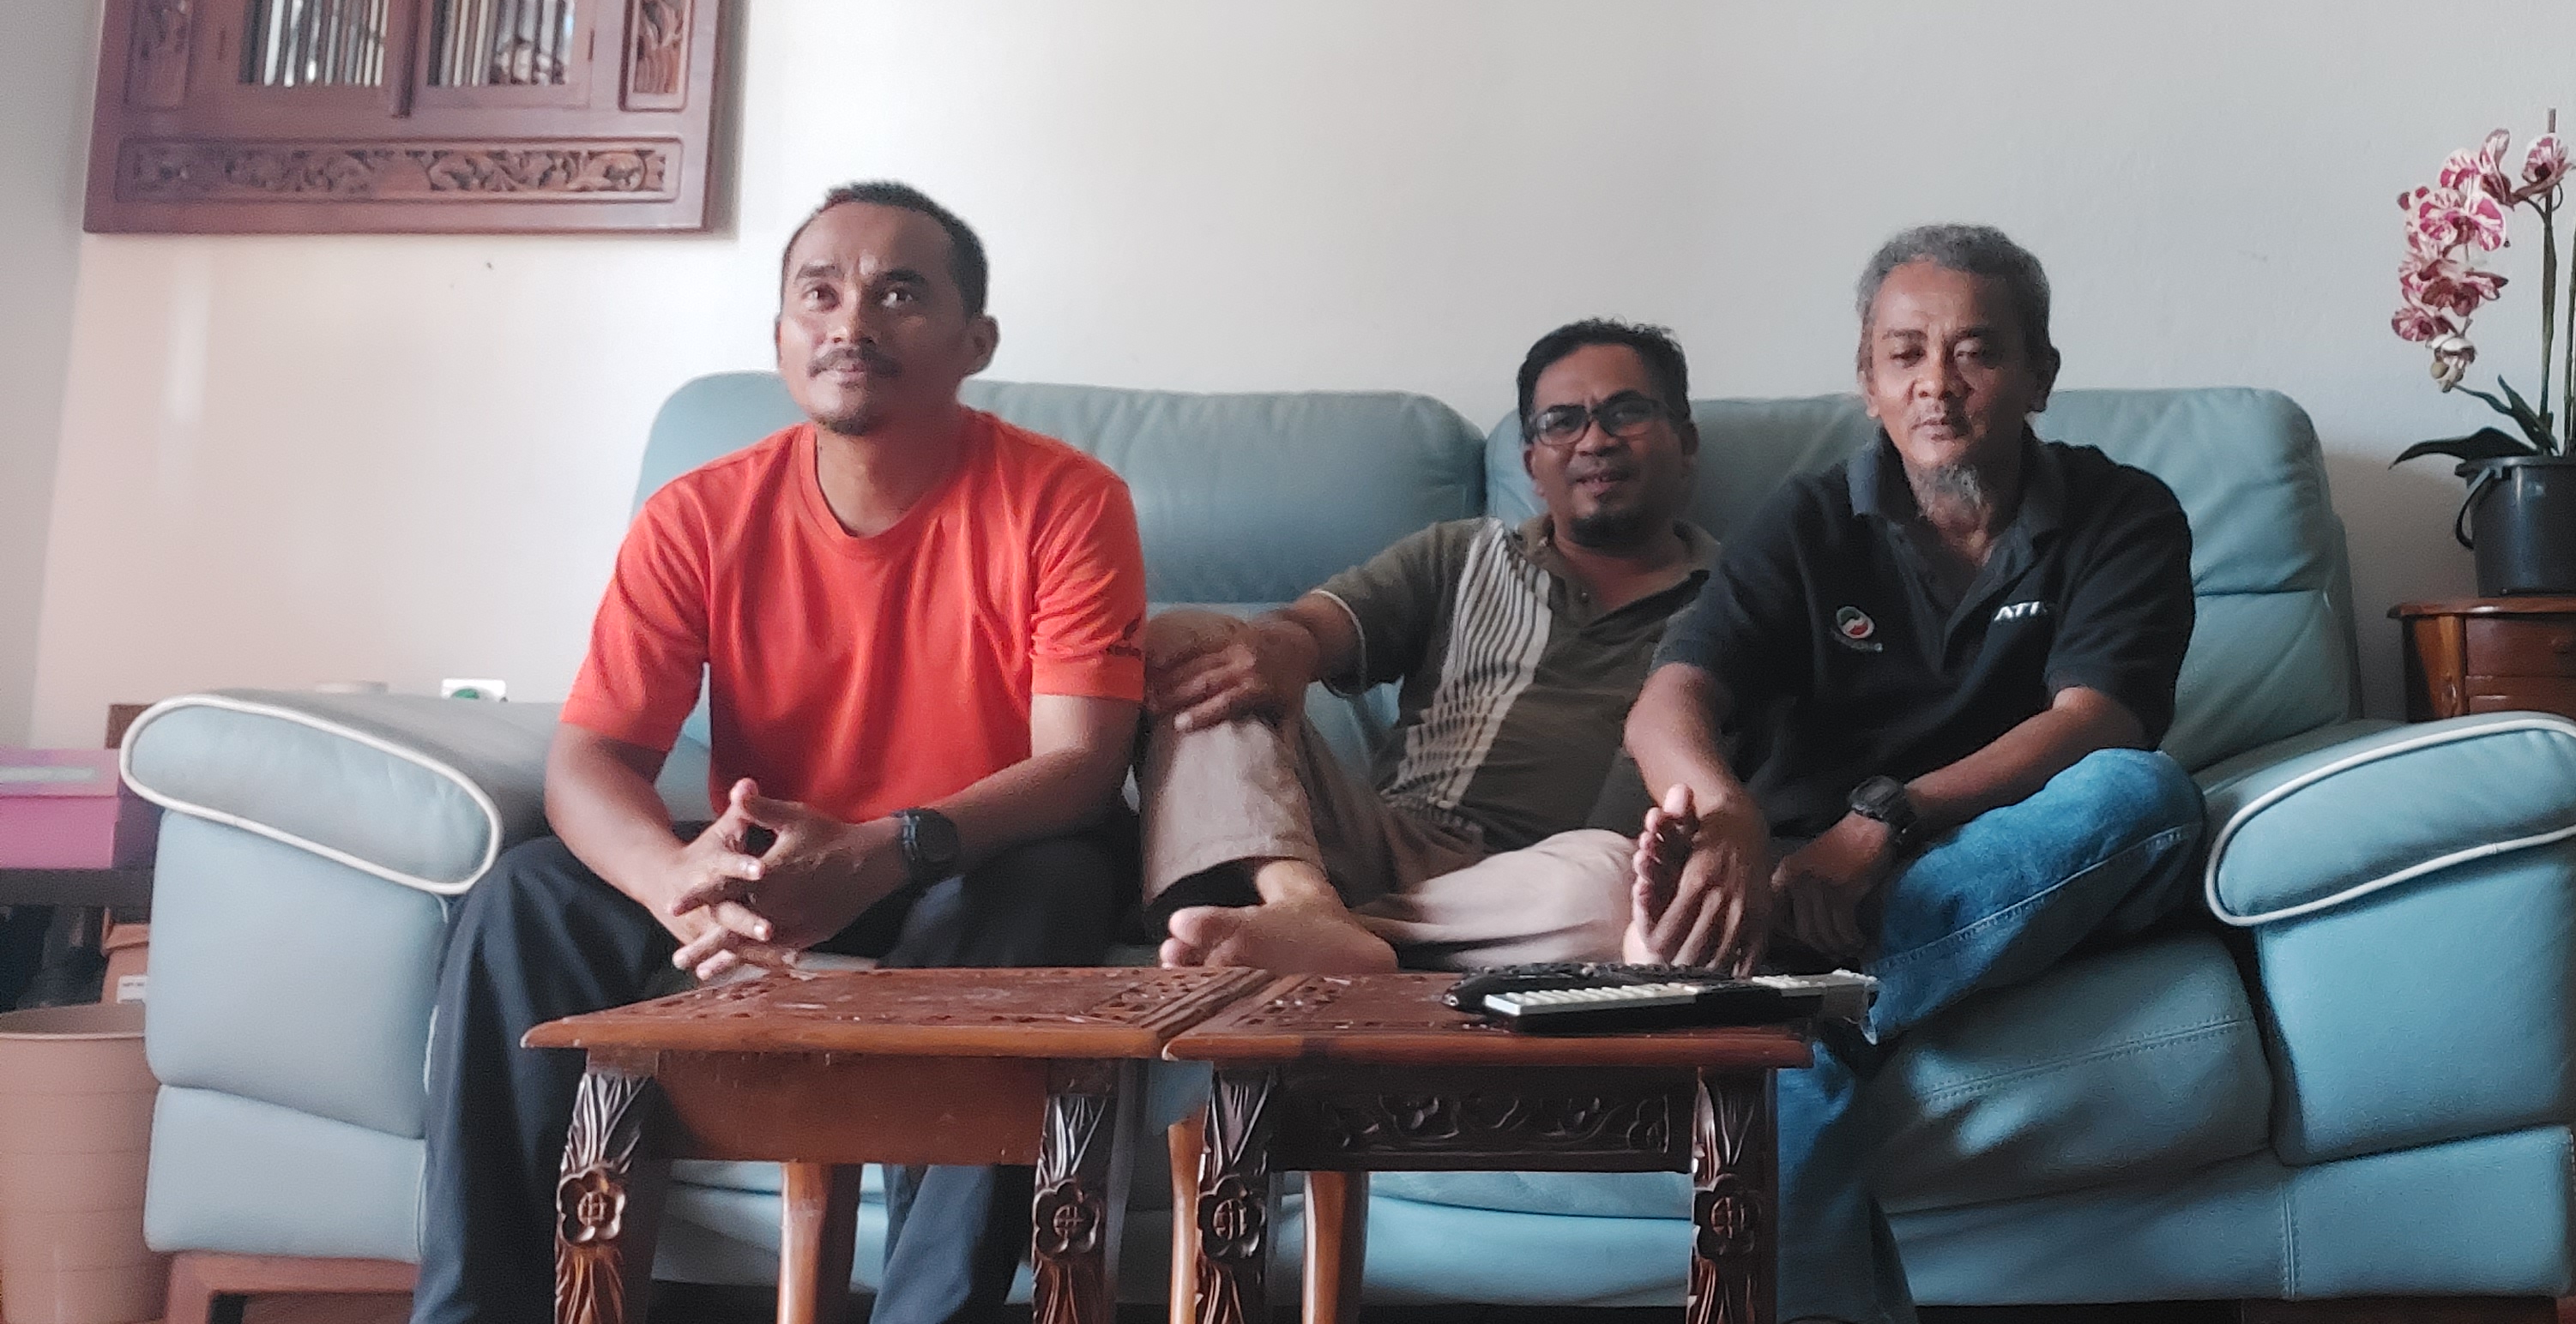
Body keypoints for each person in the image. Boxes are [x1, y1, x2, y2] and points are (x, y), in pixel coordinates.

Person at [413, 183, 1148, 1324]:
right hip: (772, 863)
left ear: (976, 342)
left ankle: (931, 1312)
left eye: (899, 293)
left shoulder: (1065, 500)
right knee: (525, 898)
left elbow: (1081, 763)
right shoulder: (698, 515)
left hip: (976, 851)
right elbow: (589, 761)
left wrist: (888, 849)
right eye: (821, 292)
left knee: (1044, 888)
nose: (852, 320)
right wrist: (678, 880)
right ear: (781, 338)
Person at [1621, 225, 2209, 1324]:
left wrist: (1885, 820)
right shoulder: (1806, 521)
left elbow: (2096, 718)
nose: (1937, 383)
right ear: (1868, 380)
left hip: (2018, 863)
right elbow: (1668, 700)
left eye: (1975, 351)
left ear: (2039, 375)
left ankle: (1806, 994)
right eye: (1905, 353)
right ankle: (1815, 1010)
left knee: (2146, 792)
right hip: (1812, 876)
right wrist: (1726, 804)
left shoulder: (2124, 510)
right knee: (1787, 1073)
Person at [1137, 320, 1720, 972]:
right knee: (1188, 642)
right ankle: (1303, 906)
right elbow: (1310, 628)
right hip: (1367, 841)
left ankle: (1334, 939)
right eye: (1562, 422)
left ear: (1685, 442)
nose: (1594, 440)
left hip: (1539, 881)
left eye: (1626, 412)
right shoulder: (1460, 554)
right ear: (1533, 464)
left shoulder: (1738, 603)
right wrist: (1280, 648)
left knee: (1614, 887)